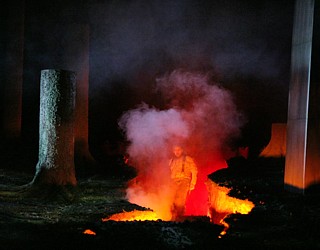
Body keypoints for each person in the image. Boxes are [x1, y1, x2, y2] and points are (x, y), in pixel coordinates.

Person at [169, 145, 197, 221]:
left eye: (179, 149)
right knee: (171, 200)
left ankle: (179, 217)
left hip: (184, 180)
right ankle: (173, 217)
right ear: (173, 151)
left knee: (180, 200)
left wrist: (193, 183)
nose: (177, 152)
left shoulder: (188, 159)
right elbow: (169, 172)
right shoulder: (171, 160)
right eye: (175, 150)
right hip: (173, 181)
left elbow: (194, 171)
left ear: (182, 150)